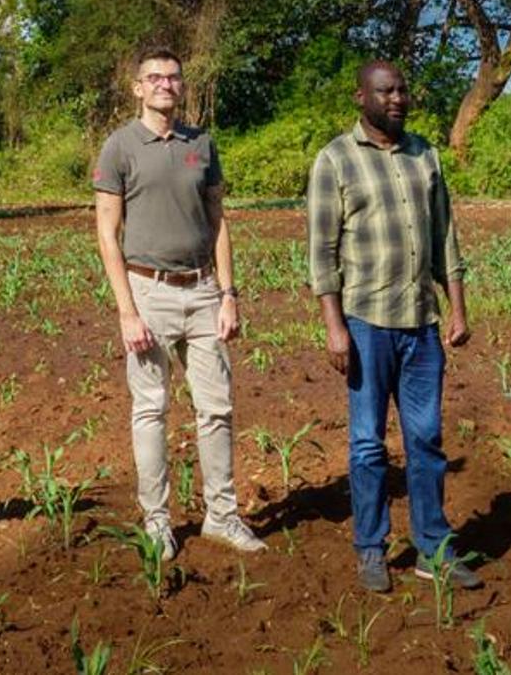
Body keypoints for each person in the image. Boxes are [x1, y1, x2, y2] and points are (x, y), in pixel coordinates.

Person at [307, 60, 479, 593]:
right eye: (386, 91)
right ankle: (371, 548)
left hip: (420, 325)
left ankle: (433, 547)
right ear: (362, 98)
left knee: (426, 440)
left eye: (403, 89)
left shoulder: (424, 154)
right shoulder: (335, 160)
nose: (398, 98)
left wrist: (457, 308)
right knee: (367, 444)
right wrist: (334, 327)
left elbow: (444, 237)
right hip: (365, 323)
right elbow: (322, 251)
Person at [94, 46, 265, 561]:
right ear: (137, 88)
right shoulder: (120, 147)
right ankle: (157, 521)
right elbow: (107, 232)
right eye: (155, 78)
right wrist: (127, 311)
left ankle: (221, 515)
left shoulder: (201, 145)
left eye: (173, 78)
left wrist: (228, 294)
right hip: (149, 290)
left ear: (182, 86)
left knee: (217, 409)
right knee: (151, 409)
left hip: (203, 291)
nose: (165, 85)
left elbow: (218, 222)